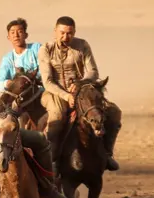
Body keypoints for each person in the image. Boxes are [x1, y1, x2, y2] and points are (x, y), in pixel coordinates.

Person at [38, 16, 121, 172]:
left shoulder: (82, 45)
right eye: (62, 33)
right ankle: (52, 161)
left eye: (69, 33)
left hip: (82, 90)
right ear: (55, 31)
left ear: (74, 32)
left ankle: (107, 154)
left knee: (114, 112)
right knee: (57, 116)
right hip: (55, 92)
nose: (65, 37)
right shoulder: (45, 49)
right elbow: (47, 81)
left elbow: (93, 72)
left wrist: (80, 84)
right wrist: (66, 96)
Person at [0, 18, 42, 92]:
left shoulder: (36, 48)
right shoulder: (8, 58)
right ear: (8, 37)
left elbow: (45, 70)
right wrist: (8, 83)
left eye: (20, 32)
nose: (16, 35)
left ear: (26, 35)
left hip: (39, 91)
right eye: (12, 33)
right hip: (18, 95)